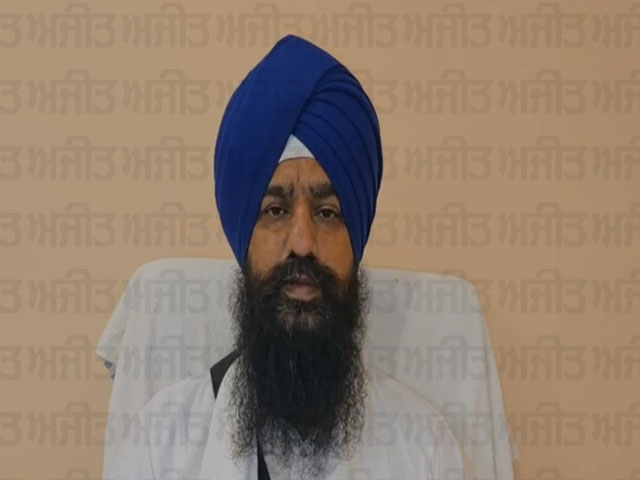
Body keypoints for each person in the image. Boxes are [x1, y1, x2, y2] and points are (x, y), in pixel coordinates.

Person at [107, 34, 475, 480]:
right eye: (276, 210)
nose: (302, 242)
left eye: (327, 213)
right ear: (245, 238)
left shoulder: (426, 449)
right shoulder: (160, 442)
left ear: (355, 240)